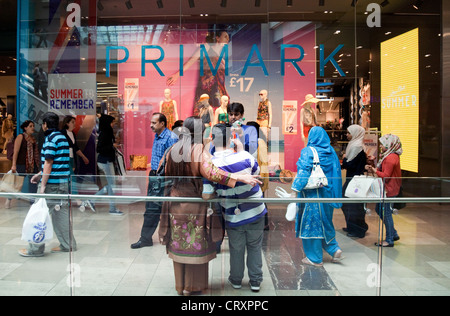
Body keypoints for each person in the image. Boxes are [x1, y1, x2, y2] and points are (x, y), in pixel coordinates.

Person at [159, 117, 262, 296]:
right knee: (193, 245)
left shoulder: (173, 149)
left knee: (179, 245)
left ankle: (180, 286)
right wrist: (238, 178)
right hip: (194, 207)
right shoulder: (197, 149)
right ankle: (192, 286)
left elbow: (162, 170)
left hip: (174, 205)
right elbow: (212, 172)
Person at [203, 123, 267, 292]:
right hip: (256, 210)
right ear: (231, 139)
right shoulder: (246, 156)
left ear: (212, 139)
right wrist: (240, 151)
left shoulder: (211, 165)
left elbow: (208, 192)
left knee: (236, 248)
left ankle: (236, 280)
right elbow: (257, 171)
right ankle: (255, 281)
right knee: (255, 246)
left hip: (232, 214)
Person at [19, 112, 76, 257]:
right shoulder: (62, 137)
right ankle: (68, 245)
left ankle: (35, 249)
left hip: (51, 184)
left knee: (39, 216)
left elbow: (49, 162)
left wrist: (42, 185)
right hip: (63, 183)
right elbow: (54, 162)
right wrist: (40, 173)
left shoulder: (50, 138)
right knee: (61, 215)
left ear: (45, 125)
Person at [290, 126, 343, 266]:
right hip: (328, 193)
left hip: (312, 194)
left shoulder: (308, 151)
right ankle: (334, 249)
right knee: (326, 222)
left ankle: (314, 258)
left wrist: (295, 188)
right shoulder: (331, 151)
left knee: (311, 225)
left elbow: (304, 172)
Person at [131, 113, 179, 249]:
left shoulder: (171, 138)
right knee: (151, 208)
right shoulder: (157, 135)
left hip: (163, 177)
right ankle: (146, 238)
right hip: (155, 175)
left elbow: (172, 162)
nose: (151, 125)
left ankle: (150, 238)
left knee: (156, 208)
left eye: (154, 123)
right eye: (151, 122)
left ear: (162, 123)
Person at [167, 28, 231, 112]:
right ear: (217, 38)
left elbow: (221, 79)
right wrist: (177, 74)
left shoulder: (222, 59)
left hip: (220, 93)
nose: (227, 38)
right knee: (205, 117)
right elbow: (192, 61)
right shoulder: (207, 48)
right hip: (207, 89)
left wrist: (226, 92)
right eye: (225, 36)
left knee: (220, 119)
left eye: (228, 36)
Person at [365, 134, 402, 247]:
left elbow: (386, 175)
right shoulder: (389, 155)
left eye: (383, 144)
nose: (381, 146)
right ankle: (393, 233)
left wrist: (375, 170)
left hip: (389, 189)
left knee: (386, 213)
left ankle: (389, 239)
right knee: (380, 210)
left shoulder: (391, 158)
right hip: (387, 188)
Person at [341, 124, 369, 238]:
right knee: (349, 204)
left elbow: (350, 165)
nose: (347, 135)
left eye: (349, 133)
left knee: (353, 206)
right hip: (352, 179)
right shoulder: (354, 145)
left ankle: (358, 229)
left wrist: (344, 160)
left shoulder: (357, 147)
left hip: (355, 181)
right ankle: (352, 226)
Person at [5, 120, 40, 209]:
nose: (33, 128)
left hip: (32, 165)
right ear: (25, 128)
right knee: (16, 183)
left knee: (33, 183)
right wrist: (14, 164)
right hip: (21, 164)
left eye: (33, 126)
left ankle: (32, 202)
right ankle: (8, 199)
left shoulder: (33, 139)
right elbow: (15, 152)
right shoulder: (21, 137)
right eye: (30, 126)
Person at [94, 114, 122, 215]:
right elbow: (100, 148)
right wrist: (112, 145)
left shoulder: (107, 132)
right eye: (112, 122)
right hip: (105, 161)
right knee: (112, 185)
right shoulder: (105, 133)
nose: (113, 124)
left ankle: (93, 201)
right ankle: (111, 208)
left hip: (107, 160)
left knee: (111, 185)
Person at [60, 116, 90, 208]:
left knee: (68, 179)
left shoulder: (72, 133)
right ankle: (77, 200)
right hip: (64, 158)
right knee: (72, 179)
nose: (74, 124)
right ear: (67, 123)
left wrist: (84, 157)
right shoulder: (62, 133)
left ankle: (65, 199)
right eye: (72, 122)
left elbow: (75, 148)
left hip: (72, 158)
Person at [247, 121, 270, 230]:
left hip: (259, 177)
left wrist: (263, 178)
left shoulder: (260, 142)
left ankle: (265, 224)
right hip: (252, 177)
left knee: (261, 200)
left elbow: (264, 162)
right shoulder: (251, 141)